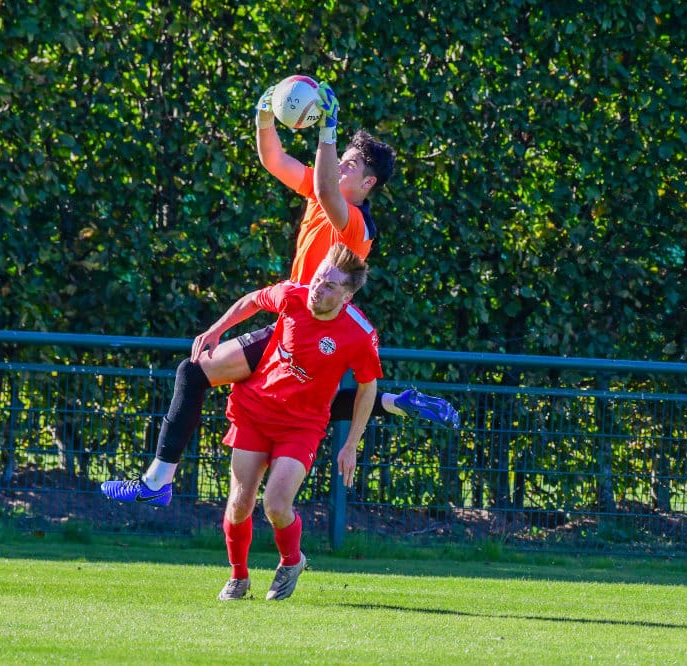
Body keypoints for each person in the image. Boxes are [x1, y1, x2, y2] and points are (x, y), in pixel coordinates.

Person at [102, 80, 458, 507]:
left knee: (200, 375)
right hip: (293, 323)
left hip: (312, 329)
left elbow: (326, 190)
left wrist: (327, 128)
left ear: (368, 183)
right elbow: (273, 159)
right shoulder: (319, 193)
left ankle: (157, 483)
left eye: (349, 164)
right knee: (287, 398)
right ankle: (396, 402)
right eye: (339, 159)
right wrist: (264, 115)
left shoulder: (358, 227)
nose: (339, 165)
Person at [209, 244, 381, 601]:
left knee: (275, 506)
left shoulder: (359, 333)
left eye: (330, 285)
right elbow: (252, 301)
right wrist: (217, 330)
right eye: (318, 278)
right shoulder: (292, 296)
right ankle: (238, 577)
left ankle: (291, 561)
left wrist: (351, 445)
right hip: (254, 410)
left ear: (347, 296)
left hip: (302, 426)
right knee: (239, 503)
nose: (317, 288)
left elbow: (368, 387)